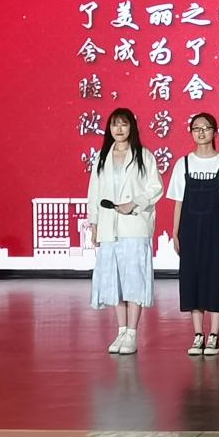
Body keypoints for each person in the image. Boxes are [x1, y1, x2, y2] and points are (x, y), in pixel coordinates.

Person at [167, 112, 219, 357]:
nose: (201, 132)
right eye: (196, 128)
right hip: (189, 230)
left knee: (216, 277)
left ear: (215, 132)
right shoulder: (183, 163)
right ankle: (198, 334)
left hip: (216, 230)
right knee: (191, 277)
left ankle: (214, 334)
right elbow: (178, 202)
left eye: (206, 128)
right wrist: (175, 232)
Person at [87, 107, 164, 356]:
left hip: (134, 226)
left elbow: (155, 188)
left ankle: (132, 332)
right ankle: (121, 330)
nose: (119, 129)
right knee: (115, 280)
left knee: (134, 280)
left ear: (132, 127)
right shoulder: (102, 157)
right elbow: (94, 192)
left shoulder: (144, 156)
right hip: (109, 227)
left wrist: (134, 203)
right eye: (114, 124)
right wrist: (94, 223)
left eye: (124, 124)